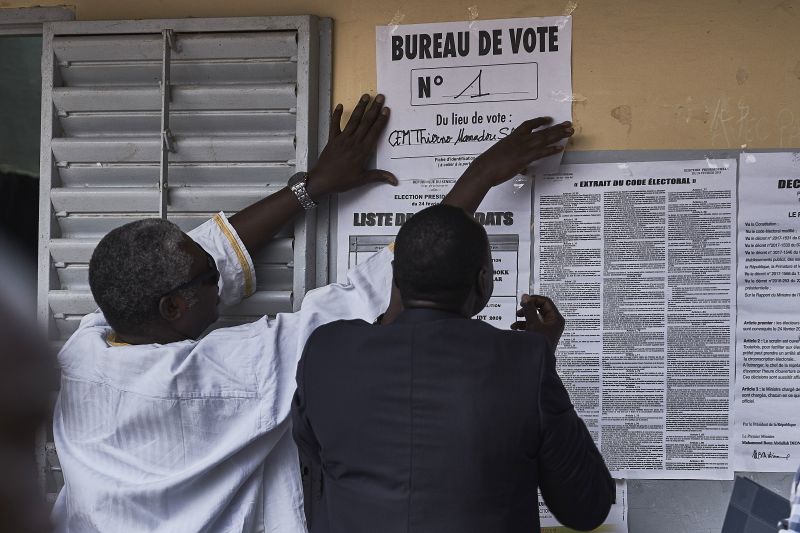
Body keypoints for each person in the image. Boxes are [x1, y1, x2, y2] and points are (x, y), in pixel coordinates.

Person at [52, 86, 574, 533]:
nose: (221, 273)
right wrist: (479, 176)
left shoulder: (87, 346)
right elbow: (382, 288)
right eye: (210, 276)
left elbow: (214, 250)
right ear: (172, 306)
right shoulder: (224, 376)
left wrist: (311, 187)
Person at [291, 206, 614, 532]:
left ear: (395, 275)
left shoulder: (325, 350)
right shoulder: (526, 359)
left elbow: (314, 459)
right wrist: (541, 355)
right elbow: (586, 506)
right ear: (483, 280)